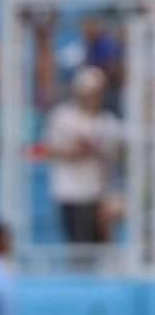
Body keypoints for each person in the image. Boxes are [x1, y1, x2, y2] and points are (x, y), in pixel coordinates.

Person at [42, 66, 122, 248]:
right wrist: (74, 151)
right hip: (69, 191)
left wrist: (95, 151)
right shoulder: (62, 117)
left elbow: (116, 156)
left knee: (100, 245)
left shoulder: (108, 122)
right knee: (78, 244)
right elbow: (49, 149)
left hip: (97, 192)